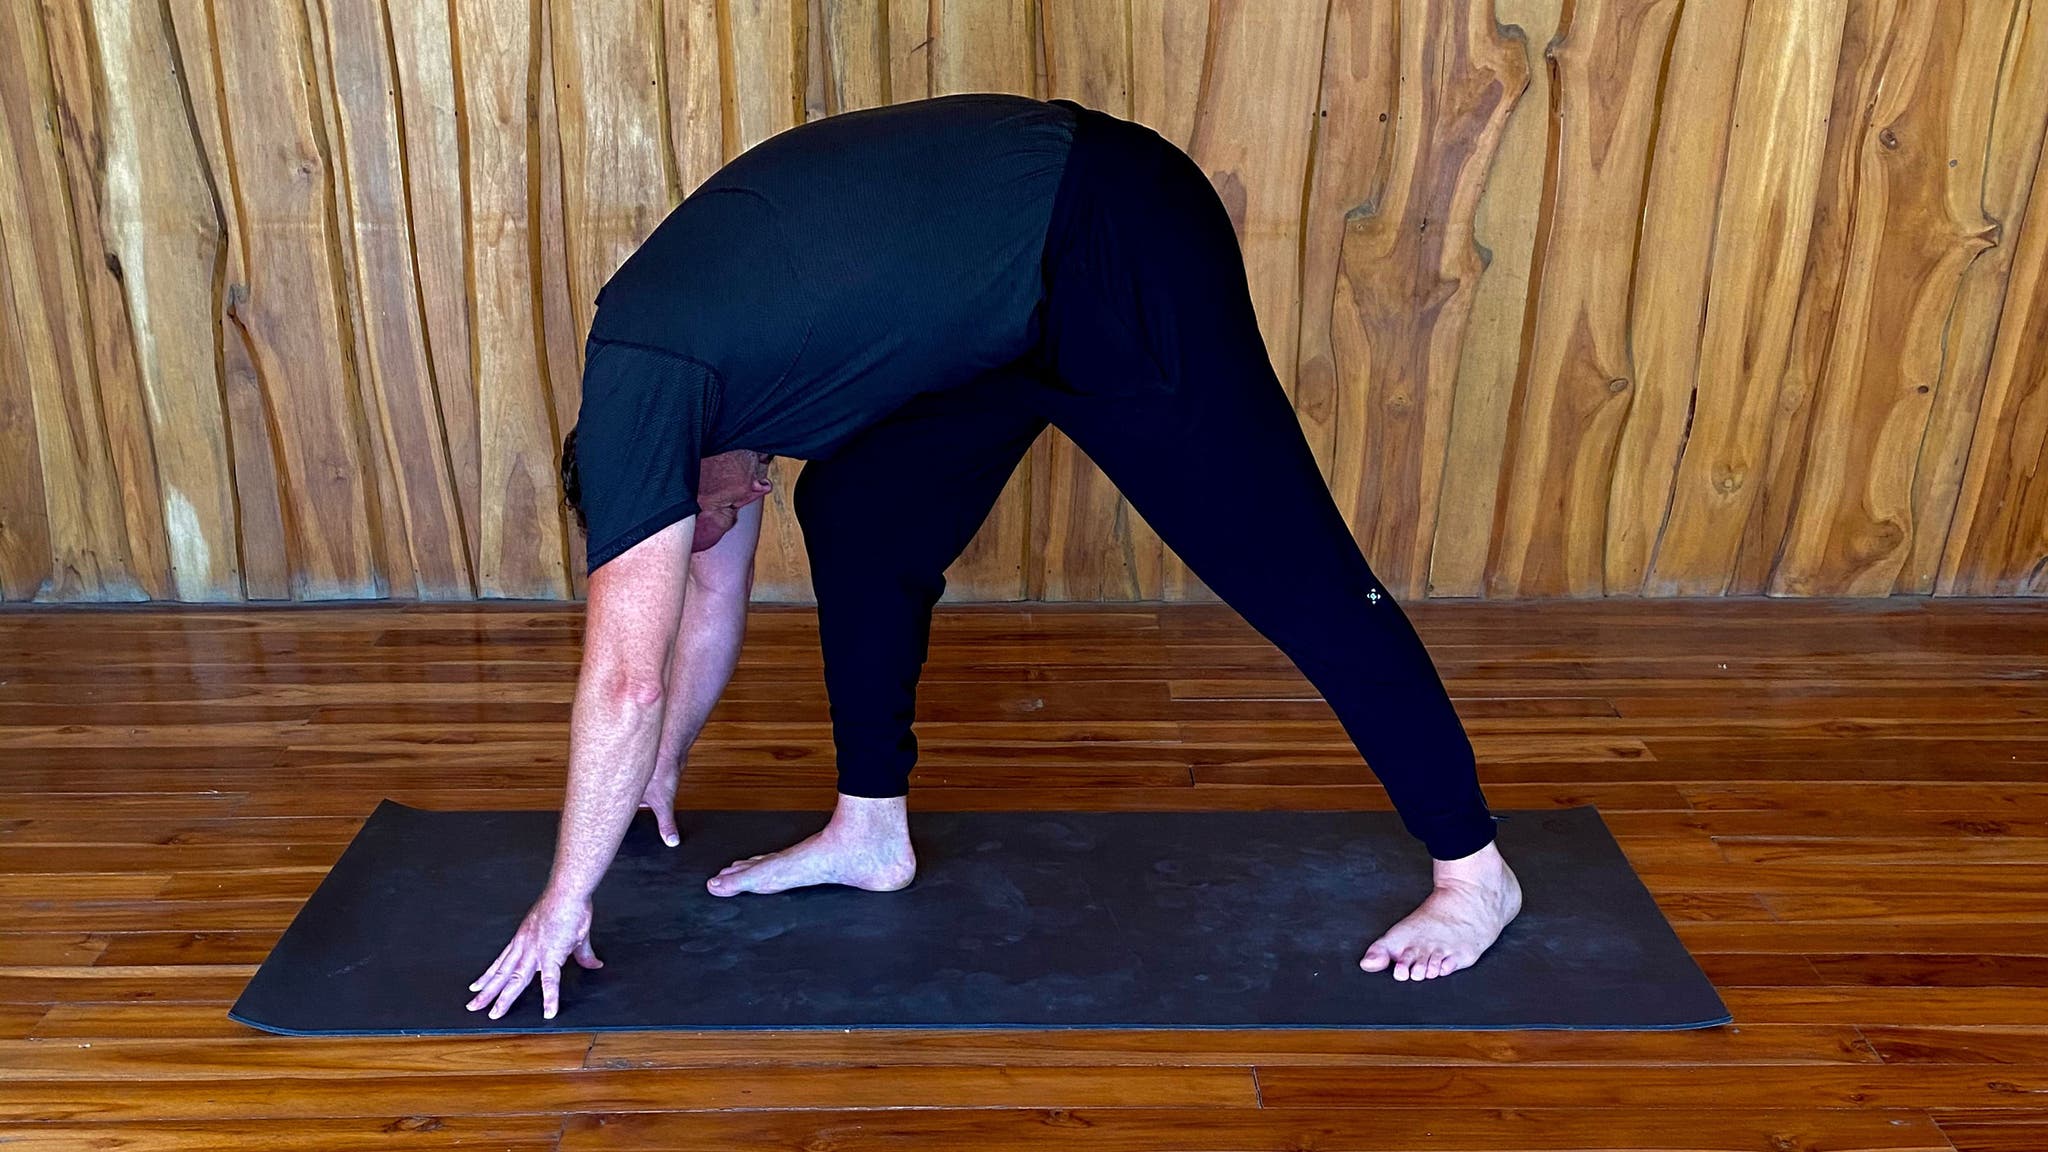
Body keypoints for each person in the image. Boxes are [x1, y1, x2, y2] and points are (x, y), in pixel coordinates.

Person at [465, 93, 1523, 1022]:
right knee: (859, 509)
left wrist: (563, 901)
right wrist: (660, 762)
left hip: (1111, 233)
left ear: (660, 473)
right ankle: (869, 829)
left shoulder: (654, 387)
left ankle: (1473, 873)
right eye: (720, 514)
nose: (748, 503)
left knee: (1290, 569)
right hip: (998, 307)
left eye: (716, 508)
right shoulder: (689, 413)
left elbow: (627, 678)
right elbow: (703, 607)